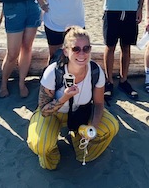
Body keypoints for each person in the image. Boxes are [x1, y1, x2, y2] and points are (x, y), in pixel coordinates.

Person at [27, 26, 119, 170]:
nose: (82, 53)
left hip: (81, 113)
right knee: (41, 144)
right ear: (66, 51)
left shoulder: (95, 71)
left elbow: (99, 104)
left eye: (86, 48)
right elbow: (44, 111)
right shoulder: (54, 72)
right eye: (76, 49)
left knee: (111, 127)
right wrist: (64, 97)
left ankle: (81, 146)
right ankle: (52, 154)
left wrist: (92, 128)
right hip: (54, 114)